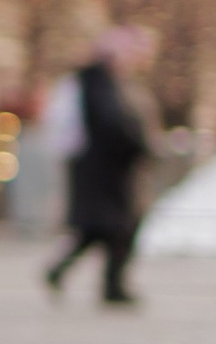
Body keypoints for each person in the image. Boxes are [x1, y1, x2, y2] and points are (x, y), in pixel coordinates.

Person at [44, 29, 151, 306]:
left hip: (100, 173)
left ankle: (63, 272)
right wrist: (138, 146)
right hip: (105, 174)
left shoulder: (94, 82)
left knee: (97, 231)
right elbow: (113, 125)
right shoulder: (99, 84)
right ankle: (112, 285)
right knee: (117, 229)